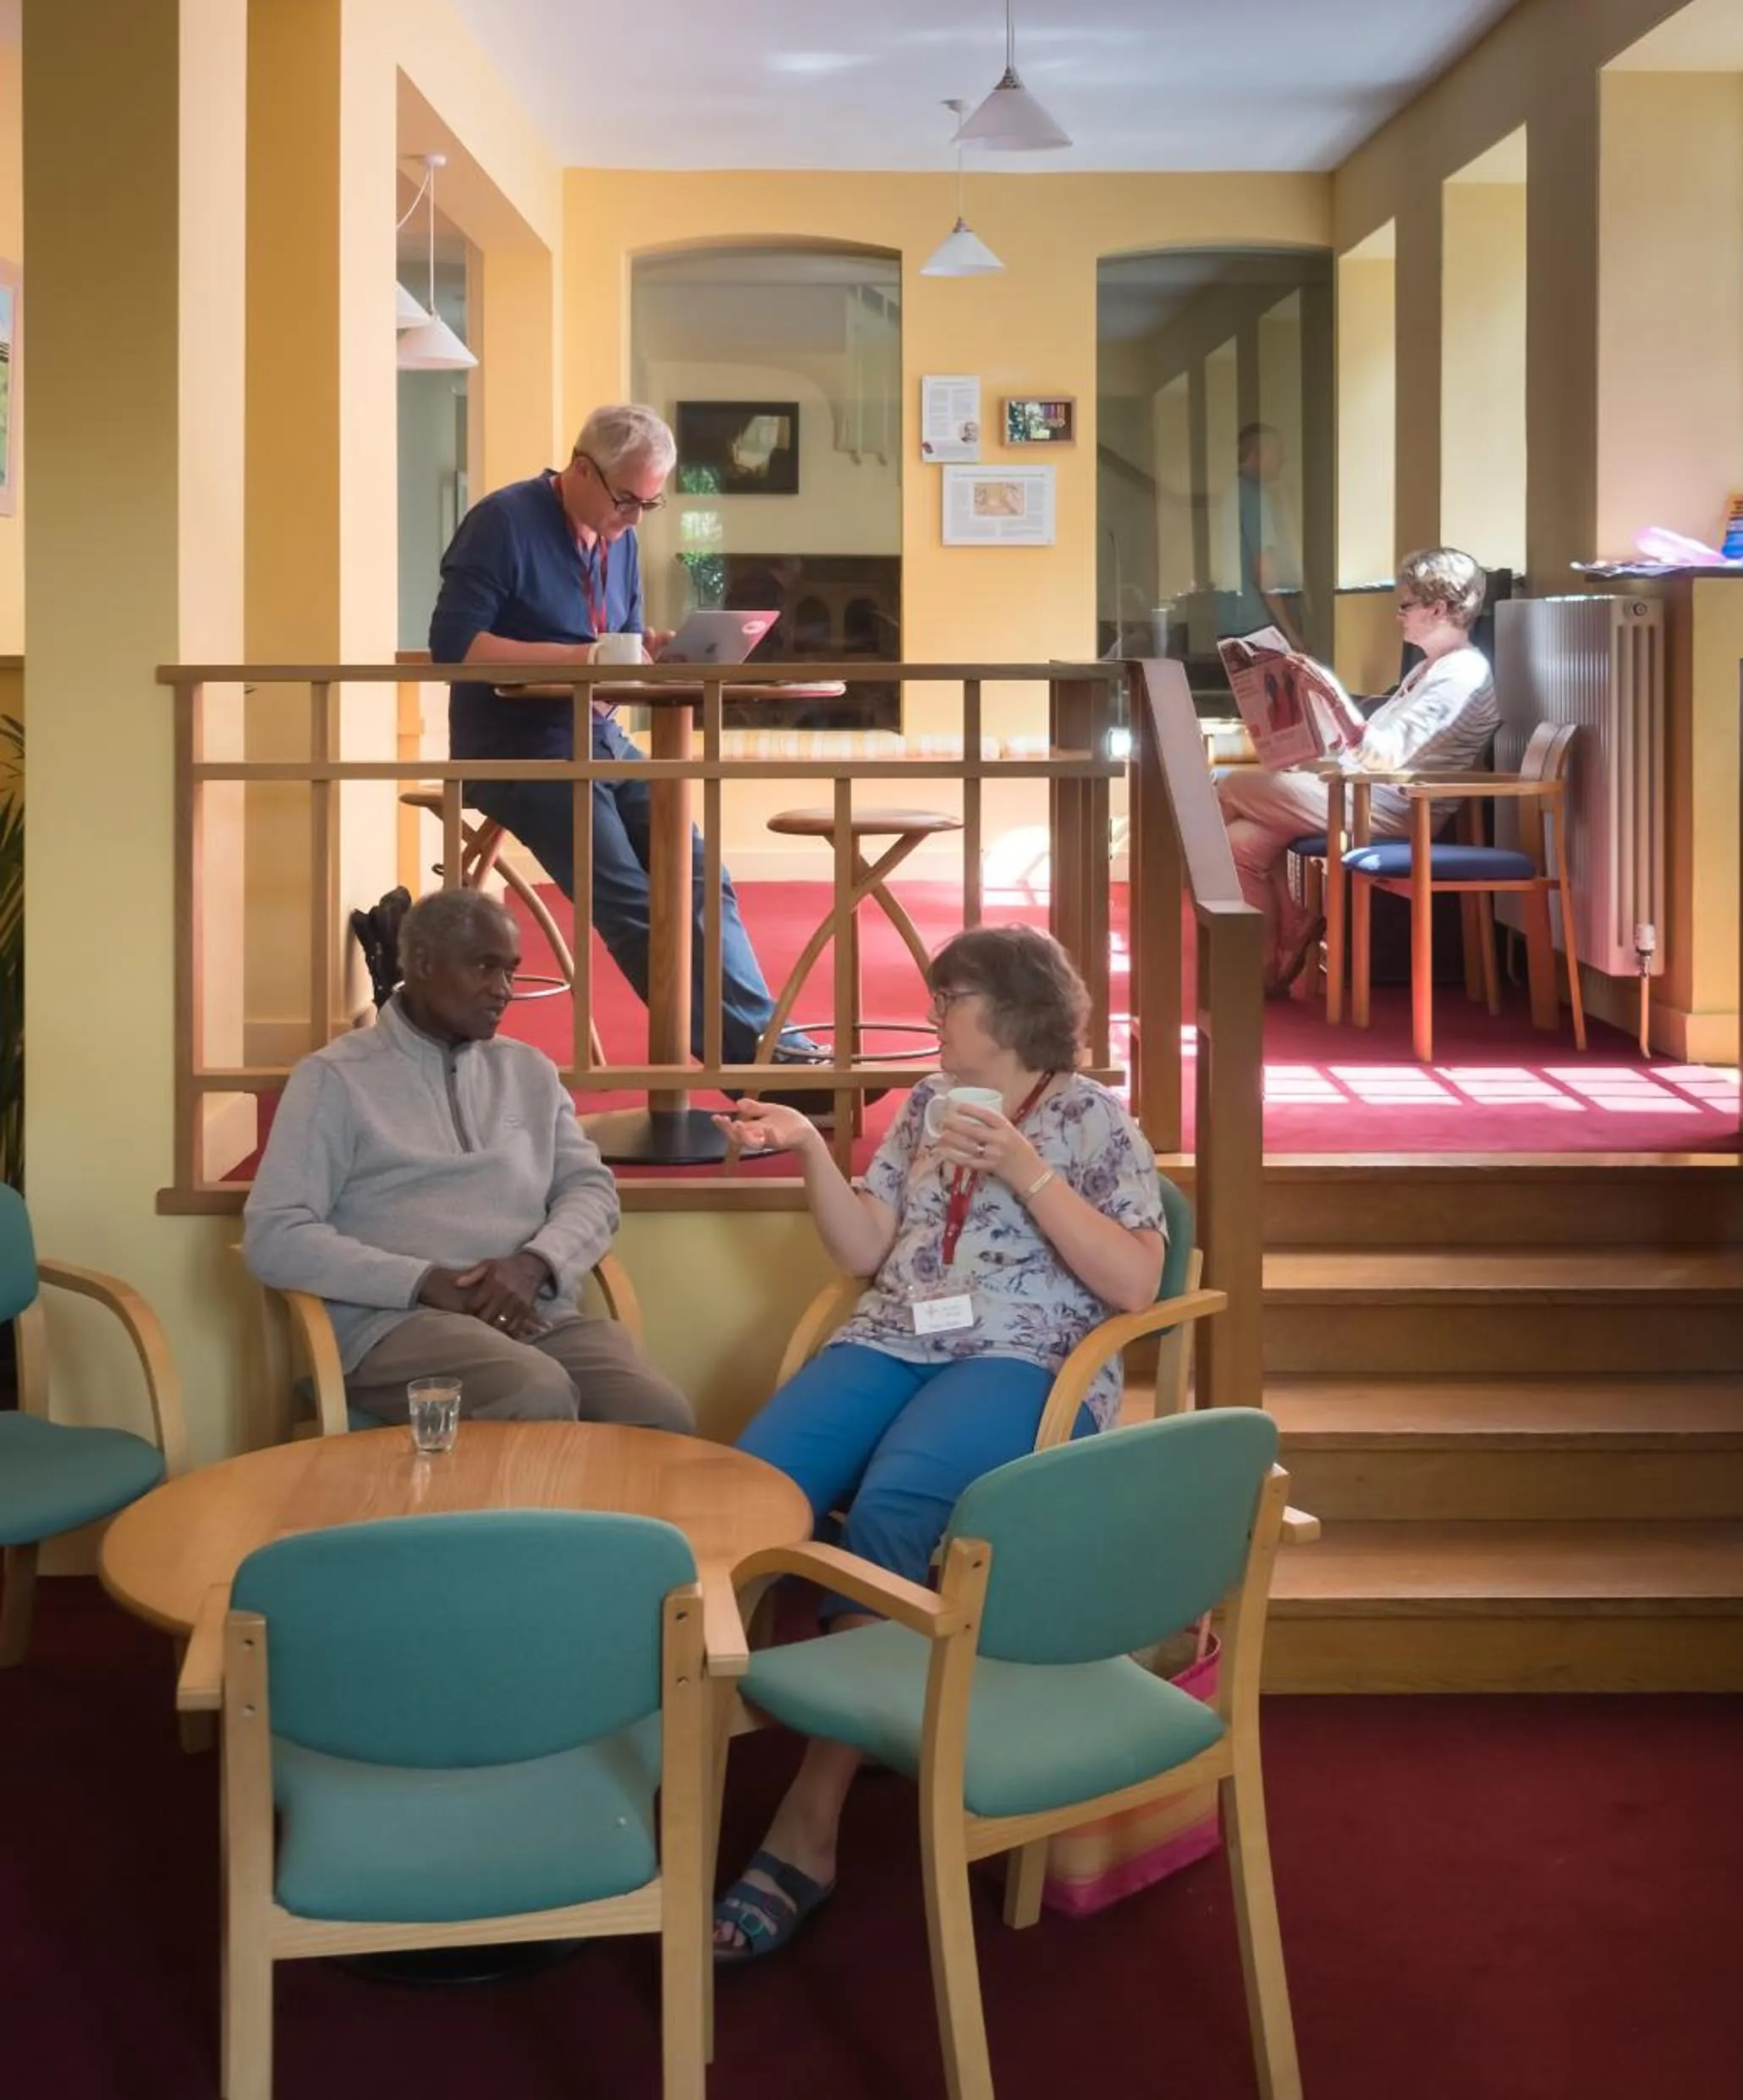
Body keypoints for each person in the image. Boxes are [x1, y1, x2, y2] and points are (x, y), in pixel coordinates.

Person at [707, 924, 1165, 1963]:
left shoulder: (1093, 1119)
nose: (931, 1017)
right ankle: (703, 1733)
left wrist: (1026, 1169)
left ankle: (809, 1821)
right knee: (749, 1484)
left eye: (946, 999)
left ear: (1006, 1014)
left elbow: (1137, 1284)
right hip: (899, 1332)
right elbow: (870, 1248)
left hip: (1026, 1355)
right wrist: (813, 1149)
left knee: (897, 1508)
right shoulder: (921, 1105)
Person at [427, 402, 823, 1088]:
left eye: (650, 502)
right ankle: (753, 1067)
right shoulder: (503, 521)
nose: (635, 517)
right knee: (632, 899)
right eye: (626, 500)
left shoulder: (622, 541)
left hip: (601, 738)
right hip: (517, 750)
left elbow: (623, 645)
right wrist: (582, 661)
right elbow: (454, 648)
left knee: (702, 876)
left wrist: (652, 654)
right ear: (582, 469)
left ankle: (769, 1039)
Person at [244, 889, 692, 1431]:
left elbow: (591, 1191)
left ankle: (605, 1520)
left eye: (510, 972)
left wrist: (534, 1264)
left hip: (529, 1313)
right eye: (484, 967)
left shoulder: (529, 1071)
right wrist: (423, 1280)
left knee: (659, 1416)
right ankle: (528, 1519)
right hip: (396, 1325)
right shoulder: (334, 1078)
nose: (503, 991)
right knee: (532, 1390)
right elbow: (276, 1234)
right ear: (425, 963)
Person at [1218, 543, 1500, 995]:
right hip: (1358, 792)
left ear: (1438, 607)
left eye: (1405, 605)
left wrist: (1330, 694)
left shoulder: (1460, 674)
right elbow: (1363, 749)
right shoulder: (1431, 669)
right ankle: (1268, 968)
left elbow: (1382, 756)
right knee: (1237, 847)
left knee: (1224, 785)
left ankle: (1283, 929)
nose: (1398, 615)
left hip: (1392, 807)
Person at [1231, 421, 1306, 646]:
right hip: (1255, 626)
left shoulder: (1229, 494)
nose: (1282, 460)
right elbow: (1264, 572)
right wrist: (1290, 633)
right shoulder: (1255, 498)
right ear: (1258, 454)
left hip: (1230, 625)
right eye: (1277, 452)